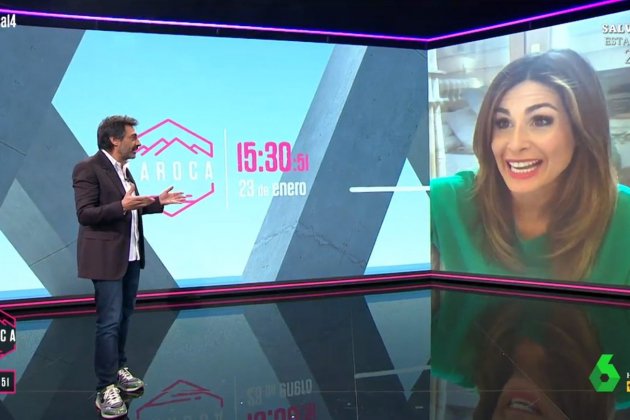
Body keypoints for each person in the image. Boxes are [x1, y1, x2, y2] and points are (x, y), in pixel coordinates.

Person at [431, 49, 630, 284]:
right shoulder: (444, 202)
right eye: (503, 123)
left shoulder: (623, 218)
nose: (515, 144)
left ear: (580, 129)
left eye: (541, 120)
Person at [72, 115, 185, 419]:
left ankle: (119, 368)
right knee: (108, 322)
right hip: (105, 258)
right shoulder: (88, 168)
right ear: (114, 139)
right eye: (133, 137)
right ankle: (105, 388)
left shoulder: (123, 170)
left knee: (123, 317)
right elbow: (85, 213)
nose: (139, 142)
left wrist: (157, 202)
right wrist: (122, 206)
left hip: (130, 256)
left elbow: (131, 208)